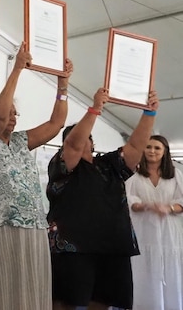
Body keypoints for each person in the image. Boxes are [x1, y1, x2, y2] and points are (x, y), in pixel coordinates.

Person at [0, 44, 72, 310]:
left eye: (17, 113)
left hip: (33, 226)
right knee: (1, 290)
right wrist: (17, 68)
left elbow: (56, 124)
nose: (13, 117)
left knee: (31, 292)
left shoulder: (20, 141)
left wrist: (63, 87)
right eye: (9, 113)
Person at [46, 88, 159, 310]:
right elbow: (73, 145)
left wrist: (149, 114)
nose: (81, 140)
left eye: (87, 136)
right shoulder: (62, 167)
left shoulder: (109, 165)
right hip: (73, 247)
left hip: (112, 244)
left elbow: (136, 146)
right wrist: (95, 109)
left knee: (103, 302)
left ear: (93, 142)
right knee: (67, 302)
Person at [126, 134, 183, 310]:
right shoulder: (134, 174)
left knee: (171, 272)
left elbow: (181, 201)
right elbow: (129, 200)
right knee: (144, 273)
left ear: (165, 151)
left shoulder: (175, 175)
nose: (152, 151)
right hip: (144, 232)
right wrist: (145, 206)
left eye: (157, 148)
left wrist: (169, 209)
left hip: (170, 234)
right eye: (148, 147)